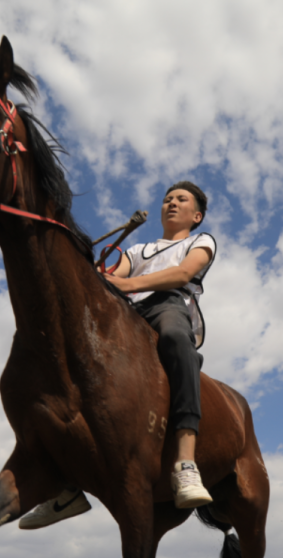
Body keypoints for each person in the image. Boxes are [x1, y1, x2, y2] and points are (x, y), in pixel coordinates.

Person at [20, 181, 215, 531]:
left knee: (174, 337)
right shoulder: (137, 249)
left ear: (196, 215)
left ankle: (186, 464)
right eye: (167, 199)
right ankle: (66, 487)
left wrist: (124, 285)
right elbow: (111, 277)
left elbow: (183, 274)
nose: (171, 203)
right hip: (126, 315)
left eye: (181, 199)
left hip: (167, 307)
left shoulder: (200, 241)